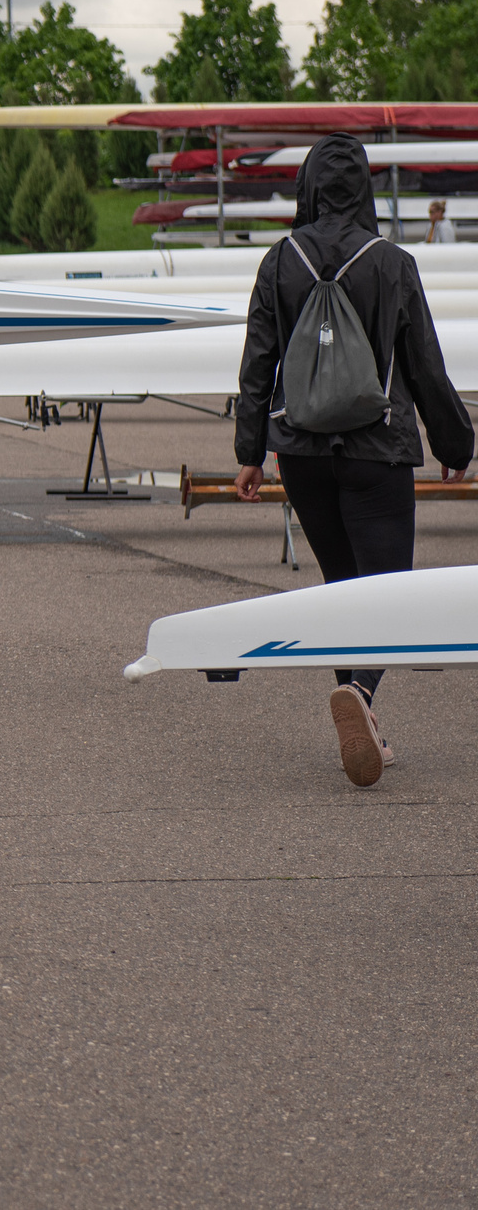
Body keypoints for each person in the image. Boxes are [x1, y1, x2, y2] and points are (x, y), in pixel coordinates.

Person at [233, 135, 472, 787]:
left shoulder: (278, 261)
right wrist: (455, 445)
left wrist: (250, 451)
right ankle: (360, 695)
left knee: (343, 589)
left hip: (302, 451)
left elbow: (258, 364)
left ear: (308, 187)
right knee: (388, 592)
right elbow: (424, 364)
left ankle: (361, 715)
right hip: (378, 448)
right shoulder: (391, 262)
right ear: (365, 189)